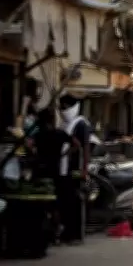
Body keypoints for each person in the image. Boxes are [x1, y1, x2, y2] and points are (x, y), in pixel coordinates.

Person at [58, 94, 92, 244]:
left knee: (75, 202)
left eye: (65, 107)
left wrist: (85, 169)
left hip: (76, 169)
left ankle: (75, 235)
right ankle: (66, 232)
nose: (62, 110)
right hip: (64, 169)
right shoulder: (64, 124)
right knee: (66, 202)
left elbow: (85, 148)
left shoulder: (81, 124)